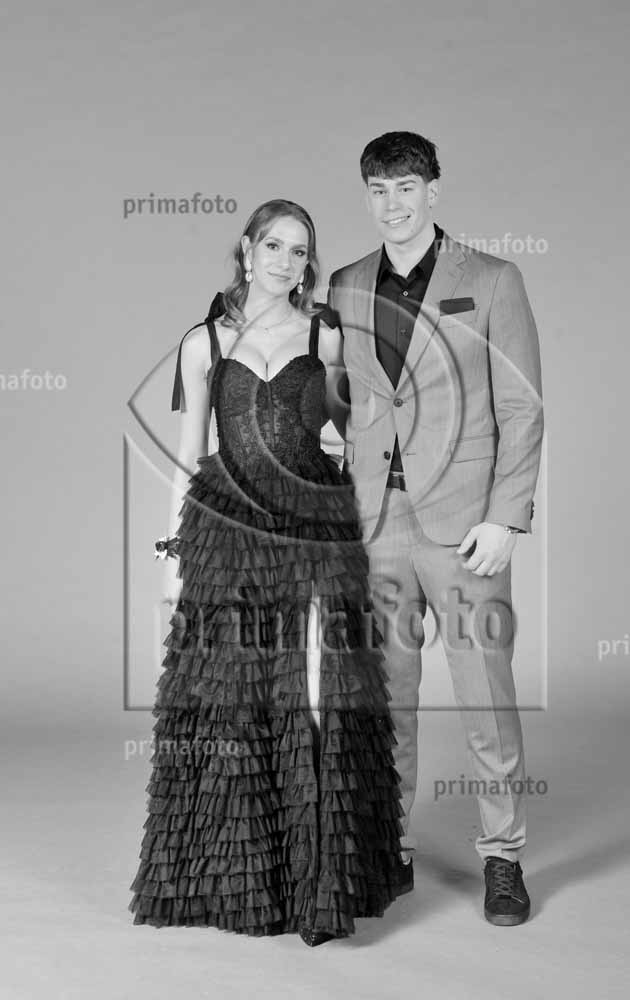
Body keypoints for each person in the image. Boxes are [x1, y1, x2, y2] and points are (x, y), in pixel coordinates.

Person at [128, 199, 407, 946]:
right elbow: (189, 450)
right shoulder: (203, 341)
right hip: (228, 527)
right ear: (247, 251)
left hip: (315, 522)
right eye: (274, 246)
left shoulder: (325, 334)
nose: (286, 261)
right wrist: (174, 549)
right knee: (236, 692)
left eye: (299, 250)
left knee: (317, 686)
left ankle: (320, 885)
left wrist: (354, 463)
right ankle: (249, 882)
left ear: (308, 264)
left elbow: (348, 432)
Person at [326, 132, 544, 925]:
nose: (394, 203)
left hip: (464, 527)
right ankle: (392, 846)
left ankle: (503, 856)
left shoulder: (490, 279)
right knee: (388, 699)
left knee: (485, 694)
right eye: (379, 189)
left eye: (407, 187)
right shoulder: (346, 283)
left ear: (434, 192)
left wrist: (506, 518)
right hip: (375, 524)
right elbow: (343, 395)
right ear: (368, 196)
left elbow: (521, 406)